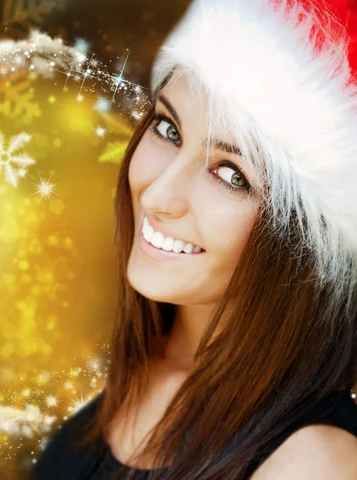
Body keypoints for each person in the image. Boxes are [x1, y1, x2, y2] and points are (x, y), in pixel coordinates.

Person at [31, 0, 357, 478]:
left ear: (308, 244)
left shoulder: (314, 461)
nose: (159, 195)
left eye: (231, 174)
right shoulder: (139, 355)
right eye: (168, 129)